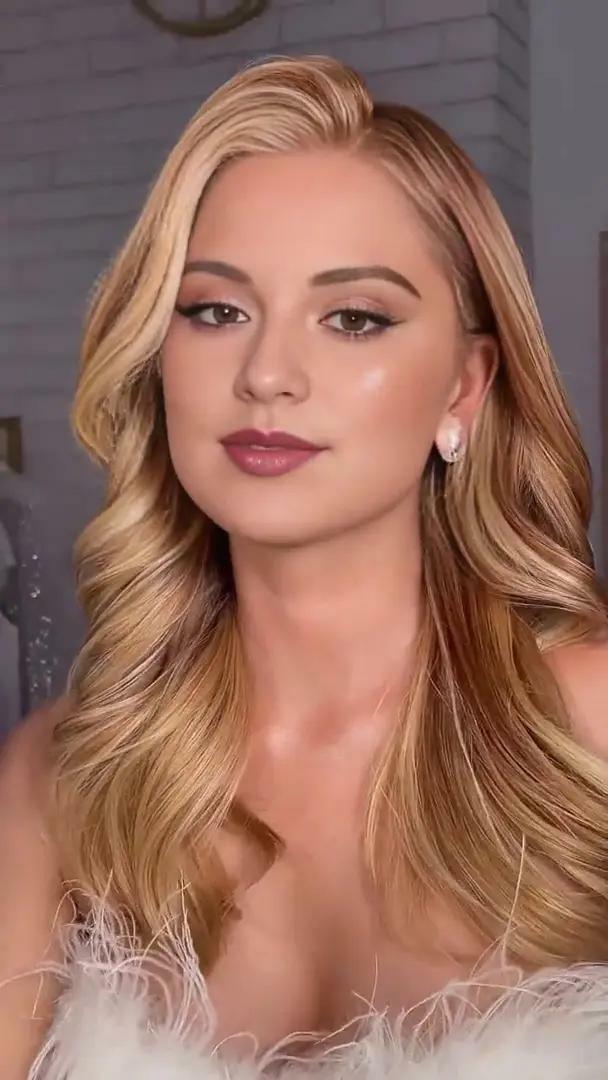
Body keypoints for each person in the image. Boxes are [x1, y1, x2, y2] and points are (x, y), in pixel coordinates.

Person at [2, 53, 608, 1078]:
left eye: (354, 318)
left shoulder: (588, 731)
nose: (267, 375)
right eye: (215, 310)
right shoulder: (63, 776)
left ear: (464, 388)